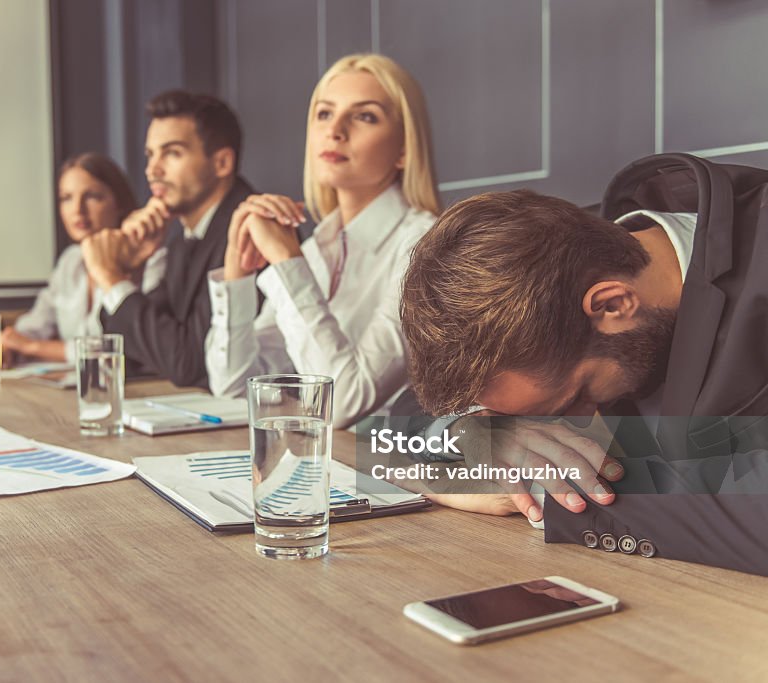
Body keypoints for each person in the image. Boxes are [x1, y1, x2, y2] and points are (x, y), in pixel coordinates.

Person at [398, 154, 768, 575]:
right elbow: (408, 409)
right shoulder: (561, 248)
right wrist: (474, 432)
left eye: (576, 397)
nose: (570, 425)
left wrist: (536, 489)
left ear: (612, 304)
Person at [204, 53, 441, 428]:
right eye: (324, 114)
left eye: (365, 116)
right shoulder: (316, 249)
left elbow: (343, 403)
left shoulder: (425, 246)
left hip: (393, 467)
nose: (335, 130)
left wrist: (285, 261)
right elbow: (233, 387)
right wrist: (236, 274)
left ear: (404, 150)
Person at [79, 90, 254, 387]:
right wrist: (129, 272)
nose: (152, 170)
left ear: (222, 162)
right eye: (150, 155)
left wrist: (110, 278)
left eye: (172, 153)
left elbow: (188, 363)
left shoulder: (250, 228)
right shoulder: (183, 240)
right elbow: (131, 358)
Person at [0, 153, 166, 365]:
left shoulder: (153, 262)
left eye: (92, 197)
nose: (77, 210)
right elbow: (31, 327)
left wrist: (33, 347)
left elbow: (121, 351)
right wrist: (7, 343)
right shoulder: (71, 261)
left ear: (119, 204)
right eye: (66, 198)